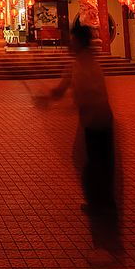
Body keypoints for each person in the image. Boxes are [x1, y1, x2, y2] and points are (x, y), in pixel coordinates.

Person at [49, 25, 116, 212]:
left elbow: (78, 93)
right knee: (99, 161)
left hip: (95, 119)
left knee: (91, 161)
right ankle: (104, 201)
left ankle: (99, 202)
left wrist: (51, 100)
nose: (71, 44)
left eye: (73, 40)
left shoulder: (82, 64)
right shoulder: (84, 63)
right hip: (99, 118)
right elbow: (62, 90)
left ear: (79, 42)